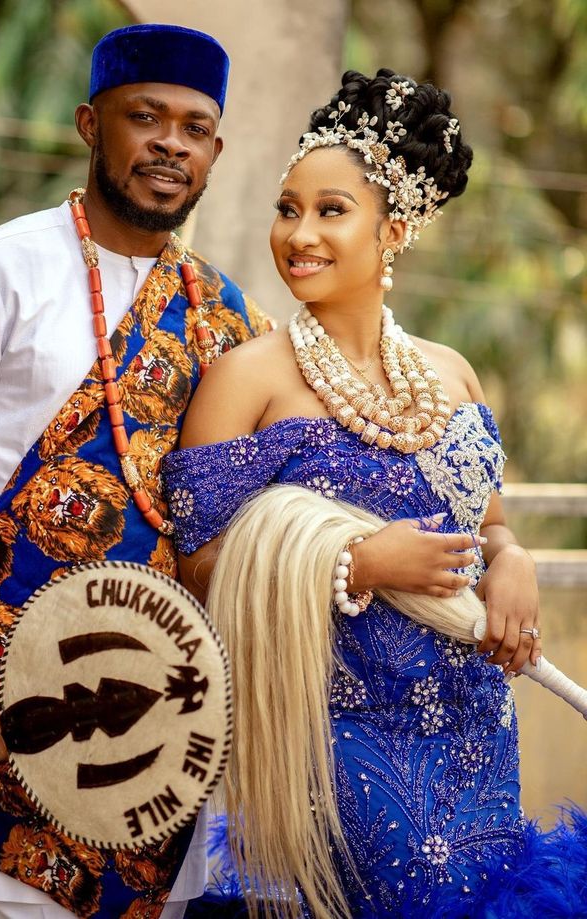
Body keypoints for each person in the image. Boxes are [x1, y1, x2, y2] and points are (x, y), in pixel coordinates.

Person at [0, 23, 272, 919]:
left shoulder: (222, 311)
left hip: (168, 730)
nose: (171, 142)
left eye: (195, 127)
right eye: (146, 117)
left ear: (214, 151)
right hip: (15, 710)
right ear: (93, 125)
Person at [163, 69, 586, 917]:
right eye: (288, 208)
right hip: (337, 742)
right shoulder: (246, 380)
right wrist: (354, 564)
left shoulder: (451, 374)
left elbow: (489, 526)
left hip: (477, 722)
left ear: (394, 230)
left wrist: (514, 564)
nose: (299, 232)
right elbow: (199, 568)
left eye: (330, 209)